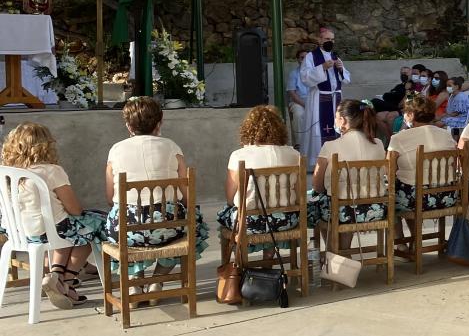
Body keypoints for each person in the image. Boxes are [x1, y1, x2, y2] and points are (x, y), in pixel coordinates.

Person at [1, 123, 108, 308]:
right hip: (52, 231)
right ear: (46, 145)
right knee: (97, 224)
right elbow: (75, 209)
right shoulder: (52, 171)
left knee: (65, 229)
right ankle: (65, 281)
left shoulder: (6, 172)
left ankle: (58, 277)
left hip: (19, 233)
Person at [104, 96, 208, 283]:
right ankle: (157, 280)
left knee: (114, 223)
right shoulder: (171, 147)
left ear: (129, 126)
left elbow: (110, 197)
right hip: (168, 227)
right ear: (159, 123)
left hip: (126, 230)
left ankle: (136, 280)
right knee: (195, 225)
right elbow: (186, 192)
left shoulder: (116, 150)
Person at [307, 100, 389, 248]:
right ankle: (343, 250)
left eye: (336, 117)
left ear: (343, 120)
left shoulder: (331, 146)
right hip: (376, 207)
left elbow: (317, 185)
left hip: (342, 210)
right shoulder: (378, 144)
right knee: (338, 200)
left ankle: (335, 253)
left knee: (318, 203)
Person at [219, 106, 303, 236]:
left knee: (225, 213)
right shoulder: (294, 154)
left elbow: (230, 198)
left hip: (249, 222)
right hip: (286, 220)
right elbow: (299, 194)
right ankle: (270, 252)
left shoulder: (239, 155)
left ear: (249, 129)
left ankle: (239, 254)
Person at [388, 94, 458, 216]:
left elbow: (389, 170)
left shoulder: (399, 138)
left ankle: (406, 235)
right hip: (448, 195)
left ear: (411, 115)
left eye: (405, 112)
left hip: (416, 199)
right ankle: (415, 234)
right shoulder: (446, 134)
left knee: (389, 202)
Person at [299, 26, 350, 174]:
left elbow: (346, 78)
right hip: (320, 97)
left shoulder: (335, 56)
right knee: (320, 129)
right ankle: (318, 162)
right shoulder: (311, 57)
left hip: (336, 97)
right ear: (320, 40)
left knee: (338, 127)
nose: (330, 42)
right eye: (327, 39)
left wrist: (341, 68)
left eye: (332, 39)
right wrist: (321, 67)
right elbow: (305, 77)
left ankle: (337, 159)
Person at [287, 47, 310, 150]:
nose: (304, 60)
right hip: (298, 102)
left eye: (307, 58)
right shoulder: (294, 74)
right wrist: (304, 104)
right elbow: (292, 93)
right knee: (299, 114)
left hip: (312, 100)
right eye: (302, 58)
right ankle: (299, 143)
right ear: (298, 60)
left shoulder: (315, 72)